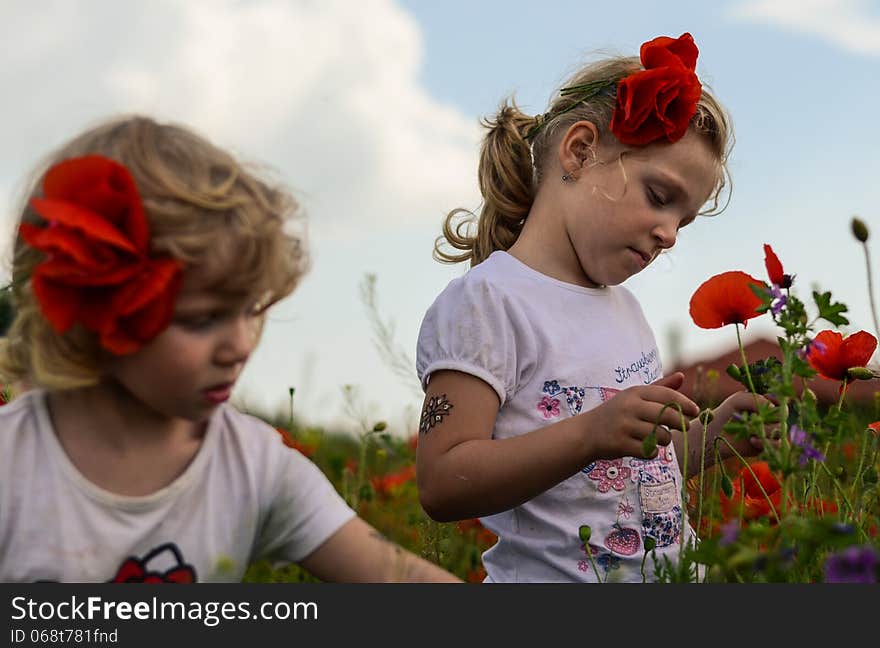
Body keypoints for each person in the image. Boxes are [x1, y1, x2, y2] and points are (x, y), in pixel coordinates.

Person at [0, 115, 459, 583]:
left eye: (251, 310)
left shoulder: (254, 466)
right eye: (202, 320)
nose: (239, 346)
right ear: (87, 313)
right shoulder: (13, 461)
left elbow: (398, 577)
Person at [415, 33, 771, 582]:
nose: (670, 235)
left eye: (684, 219)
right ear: (580, 151)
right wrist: (589, 433)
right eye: (659, 197)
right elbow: (441, 482)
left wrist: (719, 435)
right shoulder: (488, 302)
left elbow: (637, 469)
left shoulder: (626, 310)